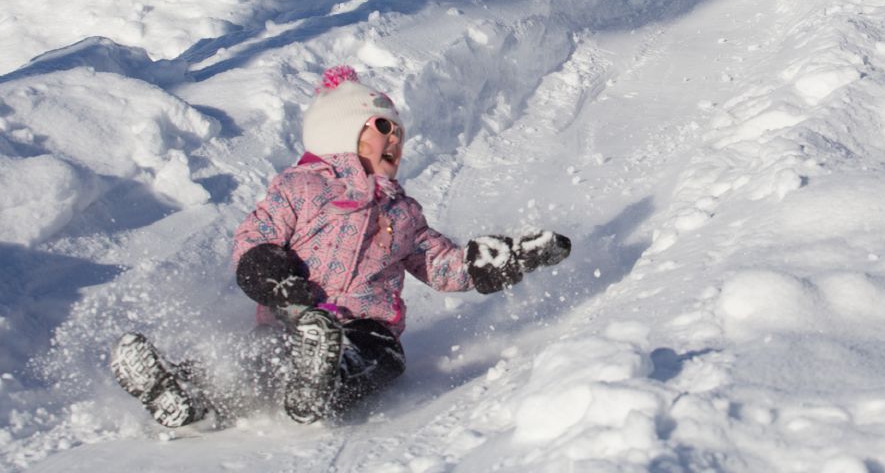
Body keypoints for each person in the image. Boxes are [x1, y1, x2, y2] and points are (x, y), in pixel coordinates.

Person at [111, 65, 570, 427]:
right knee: (252, 360)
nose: (396, 139)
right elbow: (255, 238)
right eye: (384, 126)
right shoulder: (300, 187)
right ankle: (184, 391)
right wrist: (277, 283)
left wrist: (502, 259)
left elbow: (443, 266)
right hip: (293, 319)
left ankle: (319, 386)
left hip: (365, 328)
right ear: (341, 130)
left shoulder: (403, 212)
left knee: (382, 358)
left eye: (400, 134)